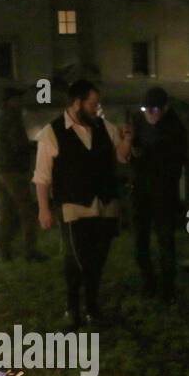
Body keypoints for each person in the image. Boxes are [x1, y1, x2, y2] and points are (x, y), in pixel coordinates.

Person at [33, 79, 133, 328]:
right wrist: (44, 209)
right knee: (78, 259)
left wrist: (127, 140)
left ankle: (91, 308)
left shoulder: (103, 126)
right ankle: (73, 307)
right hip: (74, 206)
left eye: (97, 104)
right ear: (77, 103)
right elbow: (42, 177)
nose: (96, 108)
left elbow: (121, 156)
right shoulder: (51, 133)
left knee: (98, 259)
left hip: (105, 204)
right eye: (92, 104)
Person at [131, 86, 188, 302]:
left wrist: (152, 157)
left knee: (165, 241)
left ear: (165, 108)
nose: (150, 113)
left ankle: (167, 289)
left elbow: (176, 163)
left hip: (163, 192)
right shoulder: (138, 121)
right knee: (141, 241)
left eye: (154, 109)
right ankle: (148, 282)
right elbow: (133, 152)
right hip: (141, 191)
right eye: (147, 108)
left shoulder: (175, 128)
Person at [0, 87, 46, 262]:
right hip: (12, 170)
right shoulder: (12, 118)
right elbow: (17, 144)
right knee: (27, 210)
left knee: (4, 212)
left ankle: (4, 253)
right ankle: (30, 251)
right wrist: (32, 147)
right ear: (10, 101)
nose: (21, 102)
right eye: (18, 99)